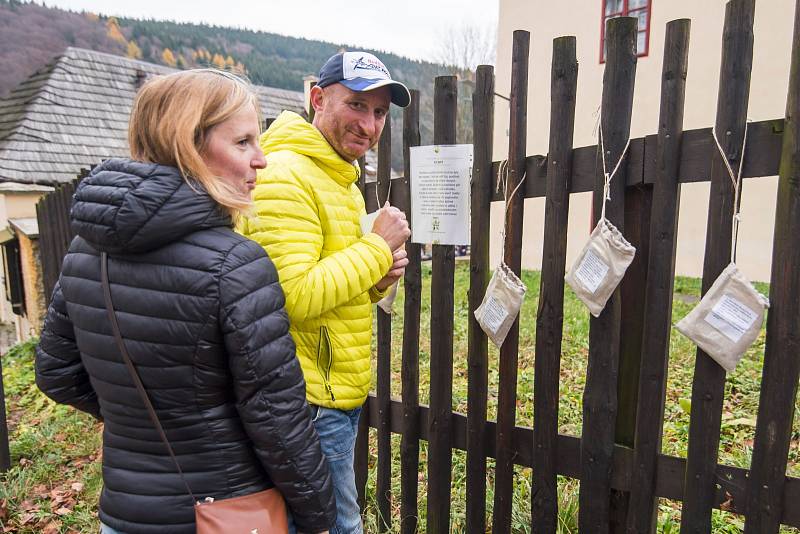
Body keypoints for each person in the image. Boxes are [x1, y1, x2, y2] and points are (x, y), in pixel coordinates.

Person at [34, 69, 336, 534]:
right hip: (226, 514)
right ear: (188, 147)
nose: (262, 160)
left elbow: (56, 373)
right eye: (242, 143)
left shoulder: (84, 252)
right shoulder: (235, 263)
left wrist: (144, 421)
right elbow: (276, 419)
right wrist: (320, 517)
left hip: (125, 514)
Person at [240, 51, 411, 533]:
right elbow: (293, 295)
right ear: (318, 99)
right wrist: (378, 246)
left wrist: (374, 277)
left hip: (331, 391)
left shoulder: (337, 176)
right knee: (337, 526)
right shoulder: (288, 176)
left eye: (379, 113)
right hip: (309, 397)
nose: (370, 125)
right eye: (357, 106)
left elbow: (326, 281)